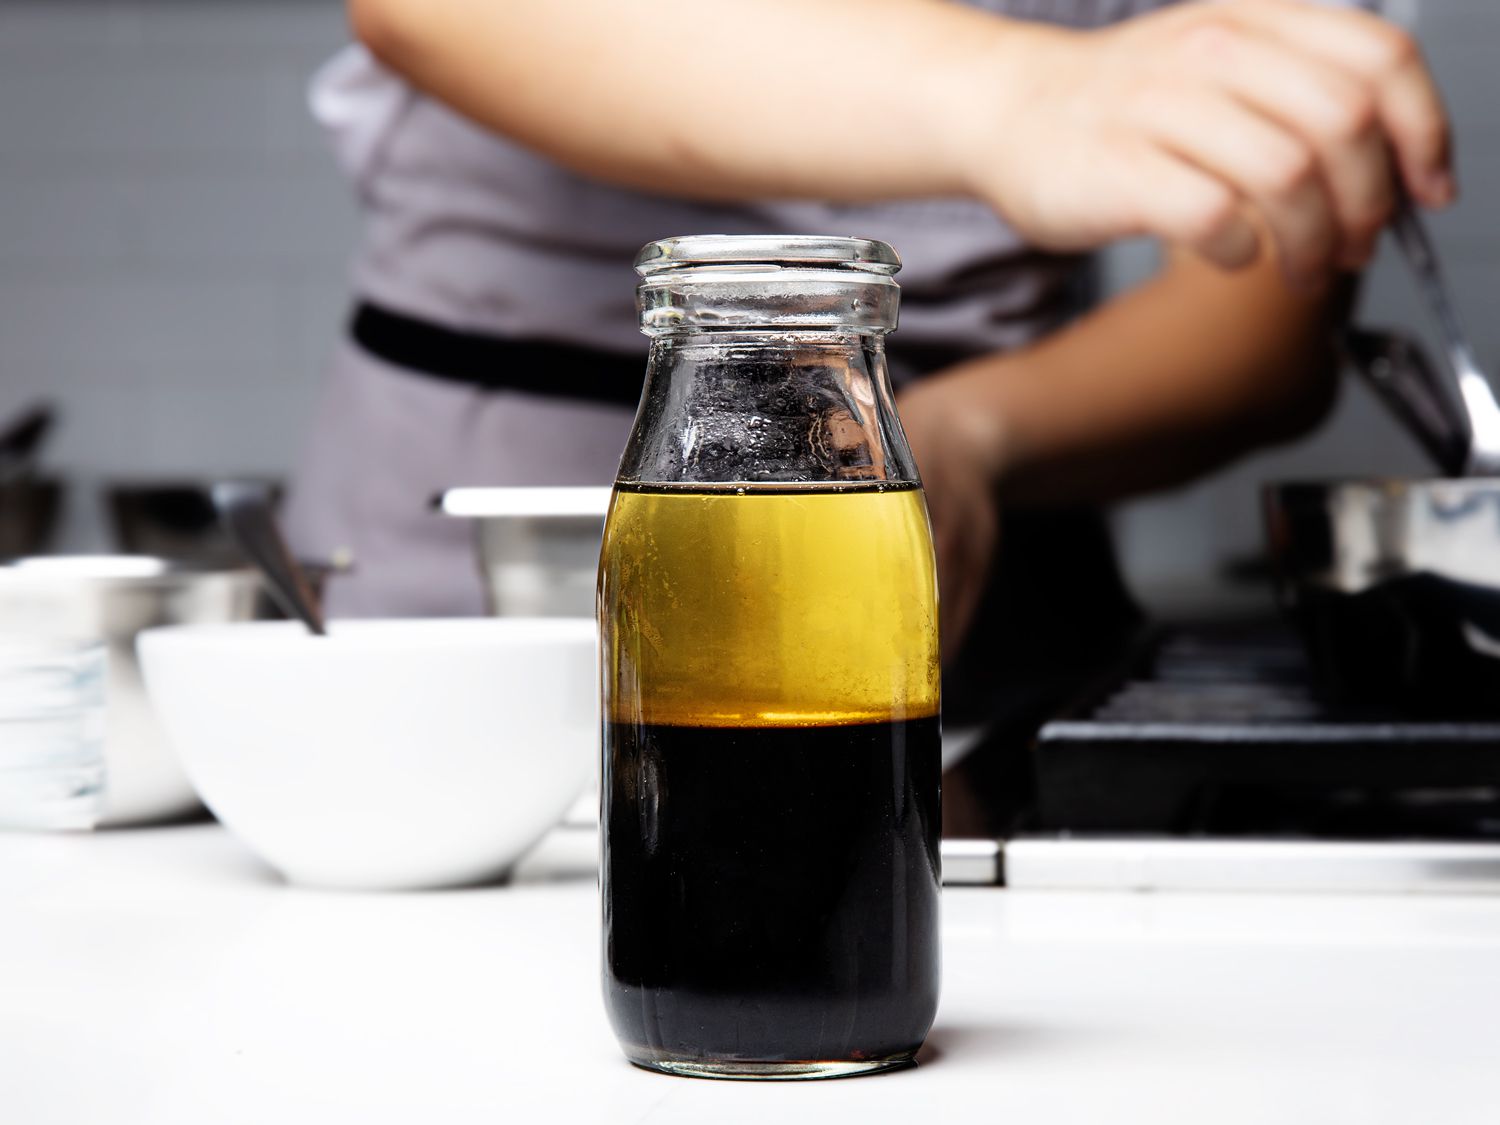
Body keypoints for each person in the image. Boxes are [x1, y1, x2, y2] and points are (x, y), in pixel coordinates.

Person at [283, 0, 1452, 827]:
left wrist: (972, 434)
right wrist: (1027, 89)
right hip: (489, 545)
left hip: (966, 561)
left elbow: (1262, 321)